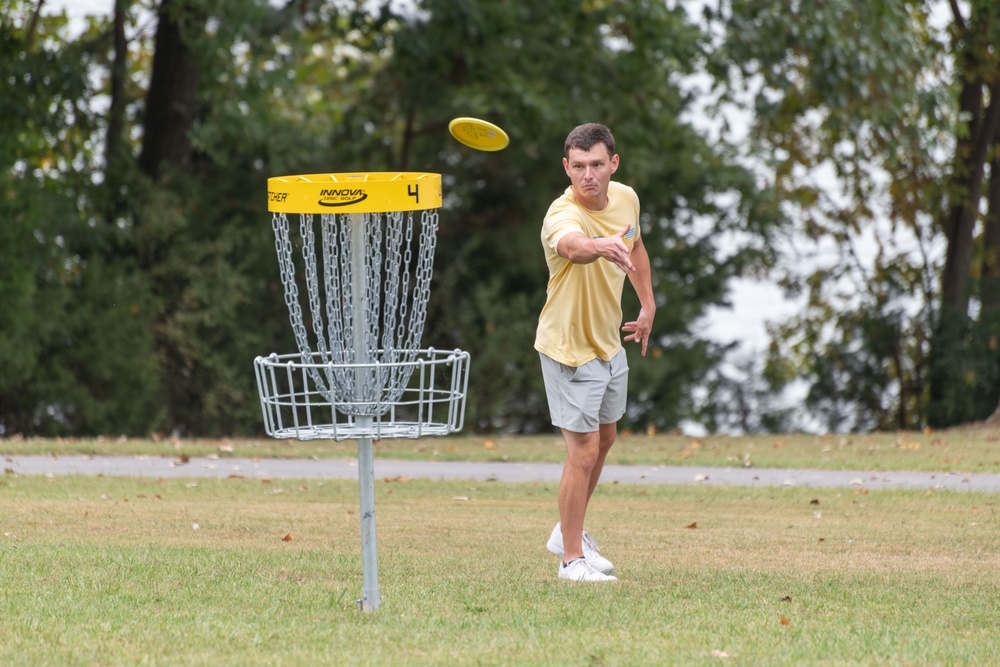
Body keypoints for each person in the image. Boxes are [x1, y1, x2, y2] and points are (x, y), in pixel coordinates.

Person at [535, 123, 656, 582]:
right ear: (567, 167)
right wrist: (599, 245)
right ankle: (570, 560)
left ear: (613, 165)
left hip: (608, 341)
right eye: (579, 167)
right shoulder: (560, 214)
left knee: (605, 440)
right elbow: (572, 246)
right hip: (569, 348)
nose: (589, 175)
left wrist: (647, 304)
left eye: (597, 165)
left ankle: (570, 531)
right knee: (582, 451)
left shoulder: (626, 198)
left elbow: (637, 245)